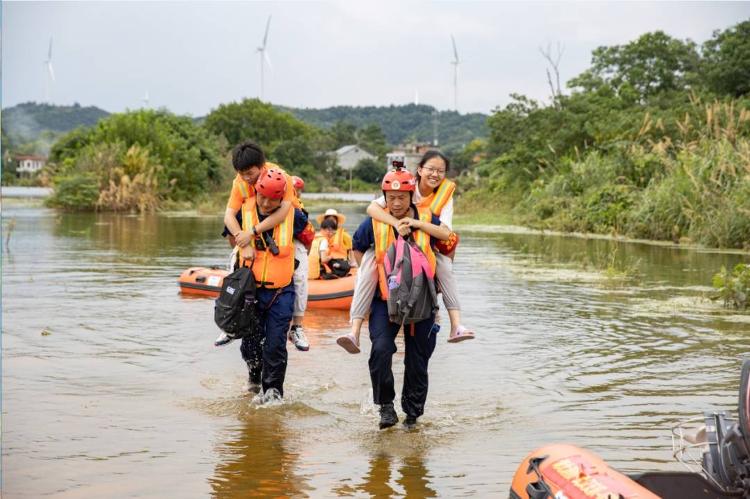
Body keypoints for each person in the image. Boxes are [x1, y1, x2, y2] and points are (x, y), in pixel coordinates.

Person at [337, 151, 473, 354]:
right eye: (431, 169)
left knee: (445, 266)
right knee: (368, 265)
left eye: (440, 171)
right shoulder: (403, 185)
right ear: (420, 170)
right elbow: (372, 209)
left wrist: (417, 223)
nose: (435, 174)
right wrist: (397, 223)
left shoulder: (445, 197)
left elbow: (446, 234)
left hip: (427, 244)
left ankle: (455, 324)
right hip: (391, 252)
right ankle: (354, 331)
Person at [348, 167, 451, 429]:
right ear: (384, 196)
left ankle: (412, 417)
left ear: (410, 195)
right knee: (380, 351)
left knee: (418, 361)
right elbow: (357, 249)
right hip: (385, 300)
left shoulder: (428, 219)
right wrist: (375, 276)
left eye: (401, 197)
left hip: (422, 302)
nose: (396, 203)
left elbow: (447, 245)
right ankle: (385, 407)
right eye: (390, 198)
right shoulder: (374, 222)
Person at [221, 168, 310, 397]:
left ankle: (273, 393)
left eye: (273, 199)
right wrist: (243, 244)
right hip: (251, 292)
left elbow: (307, 236)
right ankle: (253, 378)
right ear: (256, 191)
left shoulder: (295, 215)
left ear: (282, 197)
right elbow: (229, 233)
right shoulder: (245, 209)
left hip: (281, 292)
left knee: (275, 346)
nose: (266, 203)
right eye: (262, 196)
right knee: (250, 345)